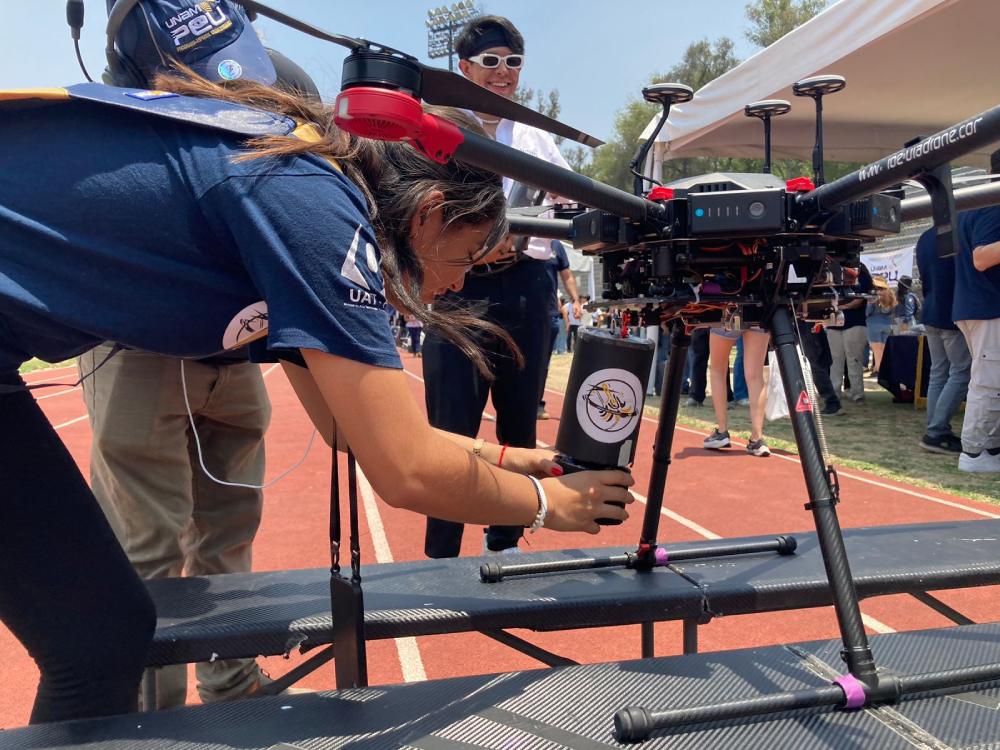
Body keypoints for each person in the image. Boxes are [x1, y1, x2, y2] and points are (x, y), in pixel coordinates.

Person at [0, 69, 636, 722]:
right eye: (469, 255)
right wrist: (547, 504)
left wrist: (502, 459)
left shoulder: (301, 179)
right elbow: (406, 469)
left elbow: (344, 429)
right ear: (430, 214)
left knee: (98, 642)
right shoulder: (314, 204)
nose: (458, 283)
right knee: (96, 644)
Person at [74, 6, 325, 709]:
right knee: (146, 546)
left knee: (230, 528)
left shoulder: (283, 80)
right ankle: (155, 714)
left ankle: (230, 679)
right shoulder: (113, 105)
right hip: (139, 343)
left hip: (232, 345)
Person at [421, 15, 582, 557]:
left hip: (525, 290)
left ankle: (505, 545)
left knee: (518, 423)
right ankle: (441, 553)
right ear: (463, 68)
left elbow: (573, 202)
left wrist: (536, 230)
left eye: (512, 63)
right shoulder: (436, 126)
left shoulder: (536, 136)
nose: (503, 73)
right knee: (449, 427)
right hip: (454, 289)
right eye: (490, 63)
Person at [952, 191, 1000, 472]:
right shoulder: (993, 205)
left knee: (990, 381)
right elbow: (981, 258)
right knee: (988, 383)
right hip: (987, 307)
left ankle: (987, 449)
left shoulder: (974, 206)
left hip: (976, 305)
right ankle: (973, 453)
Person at [914, 226, 970, 454]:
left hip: (931, 310)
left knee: (939, 371)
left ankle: (935, 427)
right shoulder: (958, 231)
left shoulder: (926, 235)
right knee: (961, 371)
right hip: (951, 312)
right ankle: (937, 430)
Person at [702, 328, 771, 456]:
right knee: (755, 375)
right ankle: (757, 438)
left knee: (717, 370)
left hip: (729, 312)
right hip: (757, 311)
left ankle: (722, 431)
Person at [538, 240, 580, 419]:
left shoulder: (555, 245)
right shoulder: (519, 237)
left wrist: (576, 300)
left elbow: (567, 275)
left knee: (543, 364)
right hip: (522, 312)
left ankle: (537, 402)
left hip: (548, 315)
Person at [828, 263, 874, 404]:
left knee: (854, 360)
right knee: (835, 361)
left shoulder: (862, 275)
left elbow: (858, 301)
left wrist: (839, 306)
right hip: (834, 323)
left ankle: (857, 393)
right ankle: (835, 392)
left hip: (854, 323)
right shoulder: (832, 273)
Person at [866, 276, 896, 375]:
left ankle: (879, 369)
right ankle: (878, 368)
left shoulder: (873, 296)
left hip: (873, 324)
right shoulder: (890, 294)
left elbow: (868, 311)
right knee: (882, 349)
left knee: (876, 349)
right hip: (887, 324)